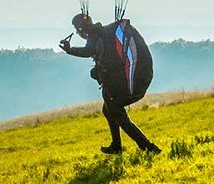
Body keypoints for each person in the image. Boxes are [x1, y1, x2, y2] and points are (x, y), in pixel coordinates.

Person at [61, 12, 160, 155]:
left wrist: (69, 50)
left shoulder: (99, 38)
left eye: (77, 30)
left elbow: (89, 51)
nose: (77, 33)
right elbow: (95, 52)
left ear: (82, 28)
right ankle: (116, 146)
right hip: (141, 79)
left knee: (115, 111)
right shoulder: (103, 35)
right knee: (107, 110)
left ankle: (148, 148)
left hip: (130, 84)